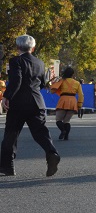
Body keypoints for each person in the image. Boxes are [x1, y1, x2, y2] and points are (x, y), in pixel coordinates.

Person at [0, 35, 60, 177]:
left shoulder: (16, 61)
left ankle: (7, 166)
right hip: (37, 102)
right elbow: (43, 82)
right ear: (32, 48)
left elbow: (16, 80)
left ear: (17, 47)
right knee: (40, 133)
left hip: (19, 102)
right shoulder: (39, 62)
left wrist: (6, 96)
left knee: (11, 134)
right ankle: (52, 153)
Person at [50, 67, 84, 141]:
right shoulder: (77, 83)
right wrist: (79, 105)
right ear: (72, 74)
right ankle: (66, 136)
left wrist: (53, 83)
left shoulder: (61, 81)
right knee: (67, 121)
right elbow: (81, 95)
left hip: (63, 99)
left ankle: (63, 130)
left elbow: (52, 91)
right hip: (73, 100)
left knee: (58, 119)